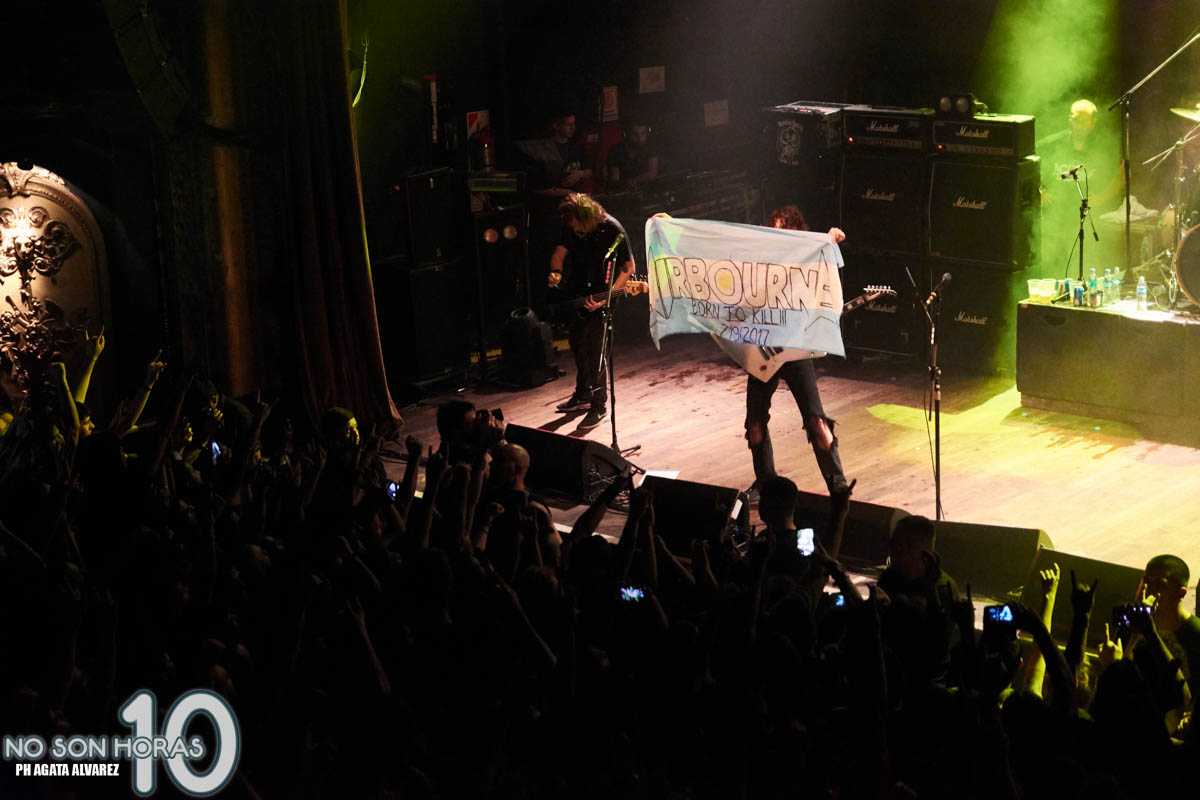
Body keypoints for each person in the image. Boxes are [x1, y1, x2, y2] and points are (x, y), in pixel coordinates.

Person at [745, 204, 849, 496]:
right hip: (764, 347)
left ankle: (838, 484)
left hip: (795, 349)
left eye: (785, 230)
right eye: (774, 230)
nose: (778, 235)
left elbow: (823, 255)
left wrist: (828, 240)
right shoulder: (761, 262)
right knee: (755, 426)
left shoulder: (805, 261)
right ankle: (765, 482)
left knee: (816, 421)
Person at [548, 192, 635, 431]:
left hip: (602, 296)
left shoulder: (612, 229)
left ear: (585, 217)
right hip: (578, 293)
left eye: (577, 223)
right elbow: (558, 254)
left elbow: (628, 268)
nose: (574, 228)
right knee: (577, 342)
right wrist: (555, 272)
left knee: (596, 351)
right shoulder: (572, 227)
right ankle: (584, 394)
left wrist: (606, 298)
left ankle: (600, 406)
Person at [1138, 554, 1200, 698]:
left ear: (1181, 593)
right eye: (1146, 582)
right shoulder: (1135, 624)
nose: (1148, 590)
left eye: (1160, 585)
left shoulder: (1196, 635)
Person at [605, 118, 659, 191]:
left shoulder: (650, 147)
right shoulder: (616, 150)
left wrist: (634, 181)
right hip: (623, 192)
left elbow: (652, 173)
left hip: (647, 190)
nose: (639, 138)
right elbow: (614, 180)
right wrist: (625, 183)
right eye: (635, 134)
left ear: (647, 133)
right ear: (626, 134)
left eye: (643, 133)